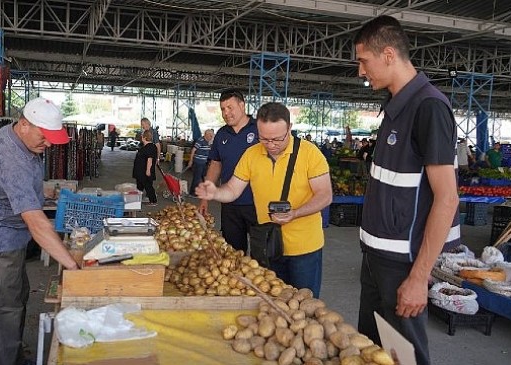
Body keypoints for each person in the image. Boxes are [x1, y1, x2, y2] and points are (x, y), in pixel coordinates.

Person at [354, 15, 460, 365]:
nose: (360, 71)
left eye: (363, 61)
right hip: (376, 260)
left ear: (387, 54)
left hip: (403, 266)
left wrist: (419, 277)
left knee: (404, 356)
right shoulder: (395, 108)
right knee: (371, 352)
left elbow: (447, 198)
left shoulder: (428, 107)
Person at [0, 97, 79, 365]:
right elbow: (35, 222)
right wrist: (72, 265)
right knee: (3, 310)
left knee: (15, 298)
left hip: (12, 236)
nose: (49, 144)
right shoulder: (10, 157)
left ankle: (13, 357)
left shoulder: (20, 138)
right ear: (25, 124)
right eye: (45, 136)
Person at [196, 102, 332, 295]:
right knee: (271, 304)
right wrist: (215, 193)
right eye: (264, 139)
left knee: (305, 307)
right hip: (269, 245)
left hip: (304, 248)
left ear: (289, 128)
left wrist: (295, 213)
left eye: (277, 139)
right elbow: (233, 190)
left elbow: (325, 195)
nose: (271, 145)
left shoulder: (310, 154)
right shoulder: (252, 154)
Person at [199, 89, 258, 253]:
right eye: (223, 109)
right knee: (232, 253)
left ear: (242, 105)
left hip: (258, 204)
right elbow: (215, 165)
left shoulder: (260, 130)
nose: (226, 113)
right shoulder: (221, 134)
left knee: (263, 255)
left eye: (230, 107)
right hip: (230, 206)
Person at [133, 129, 158, 206]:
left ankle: (153, 201)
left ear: (144, 137)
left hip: (144, 171)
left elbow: (149, 160)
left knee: (148, 186)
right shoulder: (146, 146)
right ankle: (137, 199)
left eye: (142, 136)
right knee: (139, 185)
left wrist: (148, 170)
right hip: (140, 171)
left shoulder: (150, 147)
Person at [188, 129, 214, 197]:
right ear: (206, 135)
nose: (211, 137)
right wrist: (191, 161)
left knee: (204, 176)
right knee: (197, 178)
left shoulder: (208, 142)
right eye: (210, 136)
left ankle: (204, 190)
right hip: (198, 162)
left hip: (204, 162)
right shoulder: (200, 141)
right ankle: (192, 193)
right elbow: (193, 150)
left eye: (212, 136)